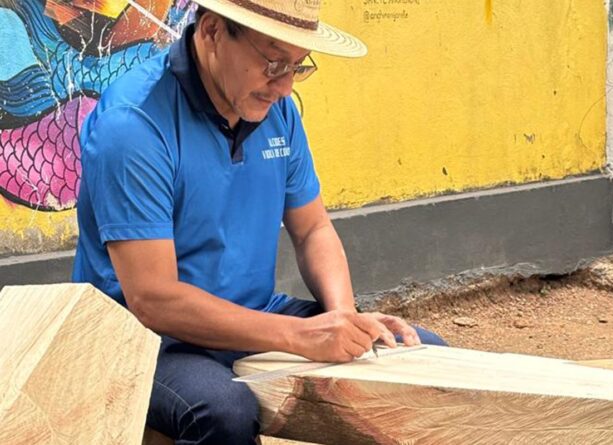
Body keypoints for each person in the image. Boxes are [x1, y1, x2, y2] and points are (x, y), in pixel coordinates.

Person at [71, 0, 446, 442]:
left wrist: (344, 318)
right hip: (142, 337)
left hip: (253, 314)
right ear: (211, 30)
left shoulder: (276, 111)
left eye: (297, 67)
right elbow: (154, 300)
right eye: (272, 62)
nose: (284, 87)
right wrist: (300, 335)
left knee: (421, 357)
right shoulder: (133, 126)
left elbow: (313, 229)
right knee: (222, 410)